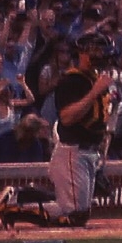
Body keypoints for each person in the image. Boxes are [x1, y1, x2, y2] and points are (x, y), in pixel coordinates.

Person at [47, 43, 111, 225]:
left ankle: (19, 198)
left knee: (80, 212)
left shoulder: (96, 78)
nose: (100, 53)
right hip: (72, 150)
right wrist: (95, 92)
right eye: (95, 49)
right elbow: (67, 118)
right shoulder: (71, 80)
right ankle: (15, 204)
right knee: (74, 213)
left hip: (89, 151)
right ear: (82, 53)